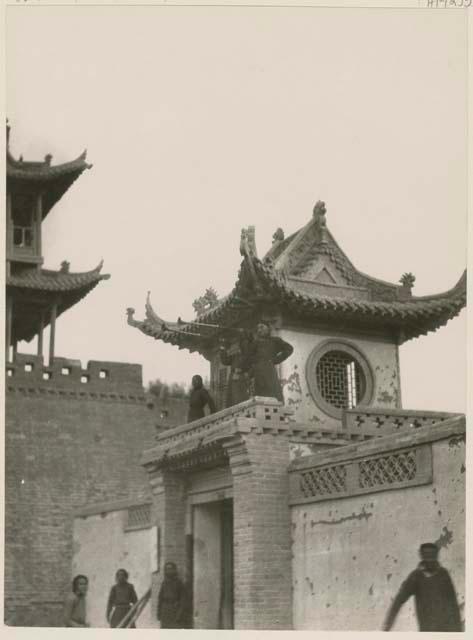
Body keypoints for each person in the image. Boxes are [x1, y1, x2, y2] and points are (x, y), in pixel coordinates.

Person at [382, 542, 462, 632]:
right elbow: (399, 600)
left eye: (432, 556)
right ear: (422, 556)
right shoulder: (415, 577)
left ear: (436, 556)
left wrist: (458, 630)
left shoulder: (444, 575)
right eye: (427, 556)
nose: (430, 561)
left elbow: (453, 603)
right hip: (427, 630)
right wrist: (387, 626)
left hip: (447, 630)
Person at [247, 322, 293, 401]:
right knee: (259, 398)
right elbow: (248, 357)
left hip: (269, 371)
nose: (259, 330)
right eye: (258, 328)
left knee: (273, 395)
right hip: (257, 373)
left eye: (262, 327)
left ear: (268, 328)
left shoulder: (275, 341)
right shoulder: (255, 343)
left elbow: (289, 349)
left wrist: (276, 360)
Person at [219, 331, 253, 408]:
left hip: (244, 383)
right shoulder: (236, 356)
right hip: (233, 382)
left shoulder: (252, 356)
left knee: (243, 404)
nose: (245, 345)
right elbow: (225, 361)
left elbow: (253, 368)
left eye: (246, 343)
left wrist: (244, 374)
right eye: (243, 342)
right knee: (233, 403)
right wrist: (222, 348)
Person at [157, 562, 188, 629]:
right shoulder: (164, 583)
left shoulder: (179, 583)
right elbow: (160, 599)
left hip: (175, 612)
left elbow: (183, 601)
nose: (169, 571)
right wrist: (159, 613)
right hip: (165, 612)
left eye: (170, 569)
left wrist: (179, 615)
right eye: (167, 569)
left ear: (174, 570)